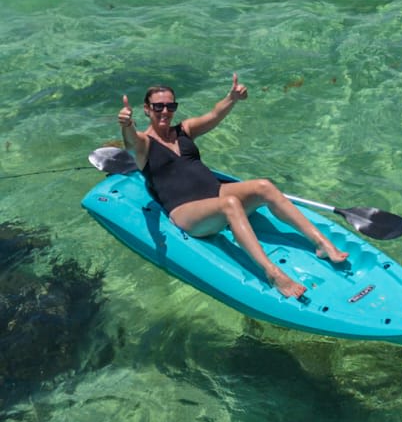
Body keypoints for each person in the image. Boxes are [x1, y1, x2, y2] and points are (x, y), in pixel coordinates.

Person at [117, 73, 347, 300]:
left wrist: (232, 98)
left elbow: (214, 114)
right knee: (230, 204)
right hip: (186, 211)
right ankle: (272, 272)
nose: (165, 111)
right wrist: (126, 125)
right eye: (158, 107)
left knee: (264, 186)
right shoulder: (144, 144)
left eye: (170, 106)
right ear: (147, 109)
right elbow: (130, 141)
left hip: (215, 192)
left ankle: (320, 242)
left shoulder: (184, 131)